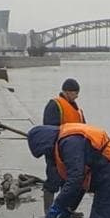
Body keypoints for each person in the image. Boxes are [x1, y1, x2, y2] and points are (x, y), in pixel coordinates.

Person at [40, 79, 86, 210]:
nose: (77, 96)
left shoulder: (78, 110)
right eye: (75, 92)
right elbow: (49, 131)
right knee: (53, 181)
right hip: (55, 152)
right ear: (66, 92)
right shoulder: (54, 105)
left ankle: (64, 210)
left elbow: (84, 130)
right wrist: (52, 153)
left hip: (72, 154)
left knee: (69, 183)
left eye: (78, 93)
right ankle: (48, 212)